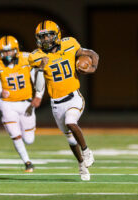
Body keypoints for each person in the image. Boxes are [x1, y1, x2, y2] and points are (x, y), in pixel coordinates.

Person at [28, 20, 99, 181]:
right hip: (56, 103)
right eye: (42, 37)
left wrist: (92, 68)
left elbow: (93, 54)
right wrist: (40, 68)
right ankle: (81, 164)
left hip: (74, 96)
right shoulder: (36, 56)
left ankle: (87, 151)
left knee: (71, 122)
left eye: (48, 35)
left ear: (57, 35)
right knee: (70, 139)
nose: (45, 40)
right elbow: (39, 87)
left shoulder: (71, 43)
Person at [0, 35, 44, 172]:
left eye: (9, 51)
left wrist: (38, 95)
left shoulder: (26, 59)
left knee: (29, 139)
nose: (6, 54)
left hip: (26, 103)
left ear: (16, 50)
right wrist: (0, 93)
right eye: (4, 51)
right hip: (7, 104)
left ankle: (27, 159)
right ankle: (27, 162)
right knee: (14, 133)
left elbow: (38, 78)